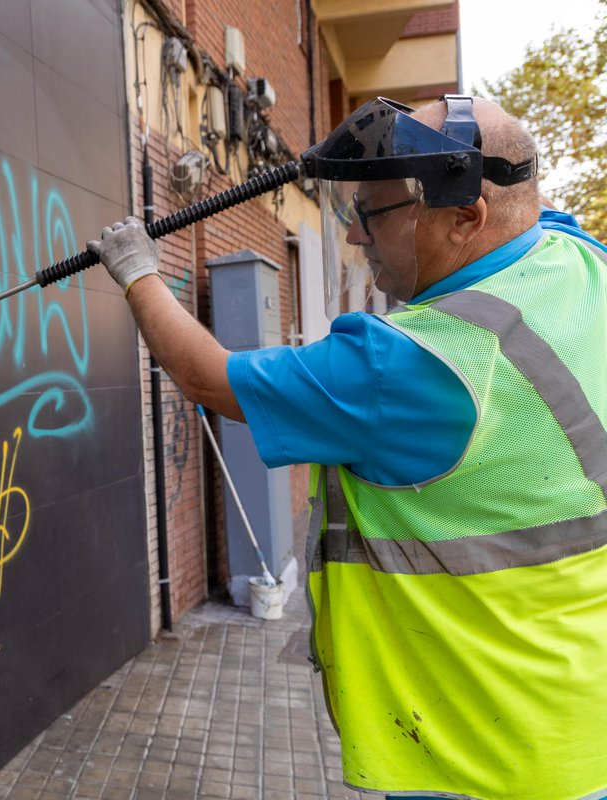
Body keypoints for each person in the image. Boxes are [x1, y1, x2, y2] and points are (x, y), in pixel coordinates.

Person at [89, 95, 607, 800]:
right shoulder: (577, 262)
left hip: (482, 757)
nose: (359, 238)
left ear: (466, 217)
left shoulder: (414, 365)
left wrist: (138, 272)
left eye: (374, 213)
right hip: (575, 717)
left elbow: (207, 379)